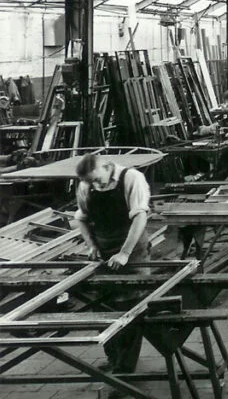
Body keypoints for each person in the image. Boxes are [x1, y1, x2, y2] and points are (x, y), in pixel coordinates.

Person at [71, 154, 152, 385]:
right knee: (104, 303)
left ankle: (125, 371)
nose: (96, 185)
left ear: (107, 167)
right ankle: (114, 358)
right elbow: (81, 219)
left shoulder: (132, 178)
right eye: (91, 182)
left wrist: (125, 253)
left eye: (98, 180)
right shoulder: (87, 185)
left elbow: (140, 217)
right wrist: (92, 246)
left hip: (132, 248)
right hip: (104, 249)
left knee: (130, 305)